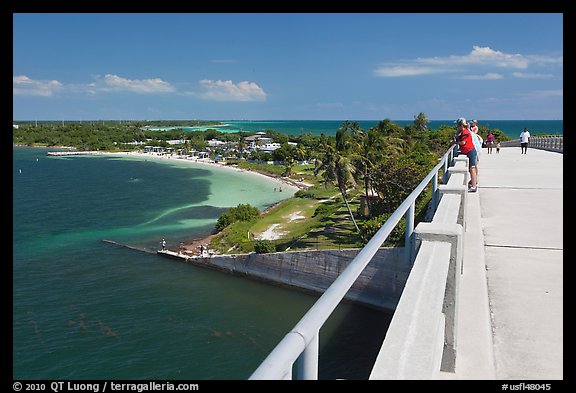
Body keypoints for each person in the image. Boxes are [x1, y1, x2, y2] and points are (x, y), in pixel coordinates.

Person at [453, 117, 478, 192]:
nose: (457, 127)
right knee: (472, 168)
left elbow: (463, 142)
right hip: (468, 151)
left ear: (461, 125)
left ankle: (474, 187)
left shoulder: (465, 132)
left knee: (472, 168)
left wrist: (455, 142)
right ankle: (474, 182)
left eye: (458, 125)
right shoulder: (463, 132)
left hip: (470, 151)